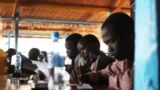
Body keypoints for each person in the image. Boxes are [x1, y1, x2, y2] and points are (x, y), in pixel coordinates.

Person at [80, 12, 134, 90]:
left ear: (130, 35)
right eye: (106, 43)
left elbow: (128, 83)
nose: (109, 49)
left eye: (111, 41)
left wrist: (111, 79)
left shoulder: (145, 62)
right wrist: (84, 77)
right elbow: (102, 73)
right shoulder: (122, 62)